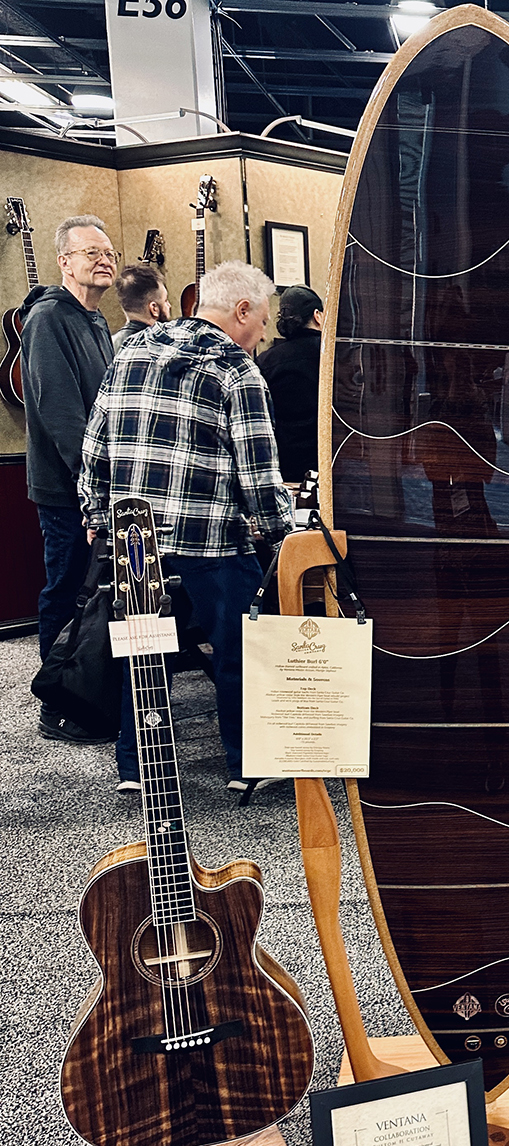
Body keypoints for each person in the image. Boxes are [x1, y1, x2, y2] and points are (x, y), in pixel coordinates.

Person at [80, 261, 294, 793]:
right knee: (238, 649)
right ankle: (249, 766)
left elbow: (93, 445)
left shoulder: (130, 350)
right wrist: (281, 530)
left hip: (133, 535)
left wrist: (95, 515)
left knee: (141, 650)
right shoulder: (237, 371)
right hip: (210, 538)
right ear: (241, 310)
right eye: (263, 321)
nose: (264, 334)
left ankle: (136, 769)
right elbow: (259, 474)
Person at [21, 214, 116, 741]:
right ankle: (54, 702)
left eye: (108, 253)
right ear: (64, 262)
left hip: (99, 487)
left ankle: (88, 691)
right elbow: (61, 415)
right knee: (64, 589)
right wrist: (91, 491)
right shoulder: (47, 319)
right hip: (66, 490)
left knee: (93, 592)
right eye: (90, 253)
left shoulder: (97, 321)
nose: (103, 260)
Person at [256, 285, 323, 482]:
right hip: (328, 461)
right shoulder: (336, 356)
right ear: (317, 315)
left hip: (285, 467)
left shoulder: (266, 361)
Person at [111, 264, 171, 354]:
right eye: (165, 300)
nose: (169, 305)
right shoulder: (167, 348)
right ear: (154, 309)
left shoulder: (109, 346)